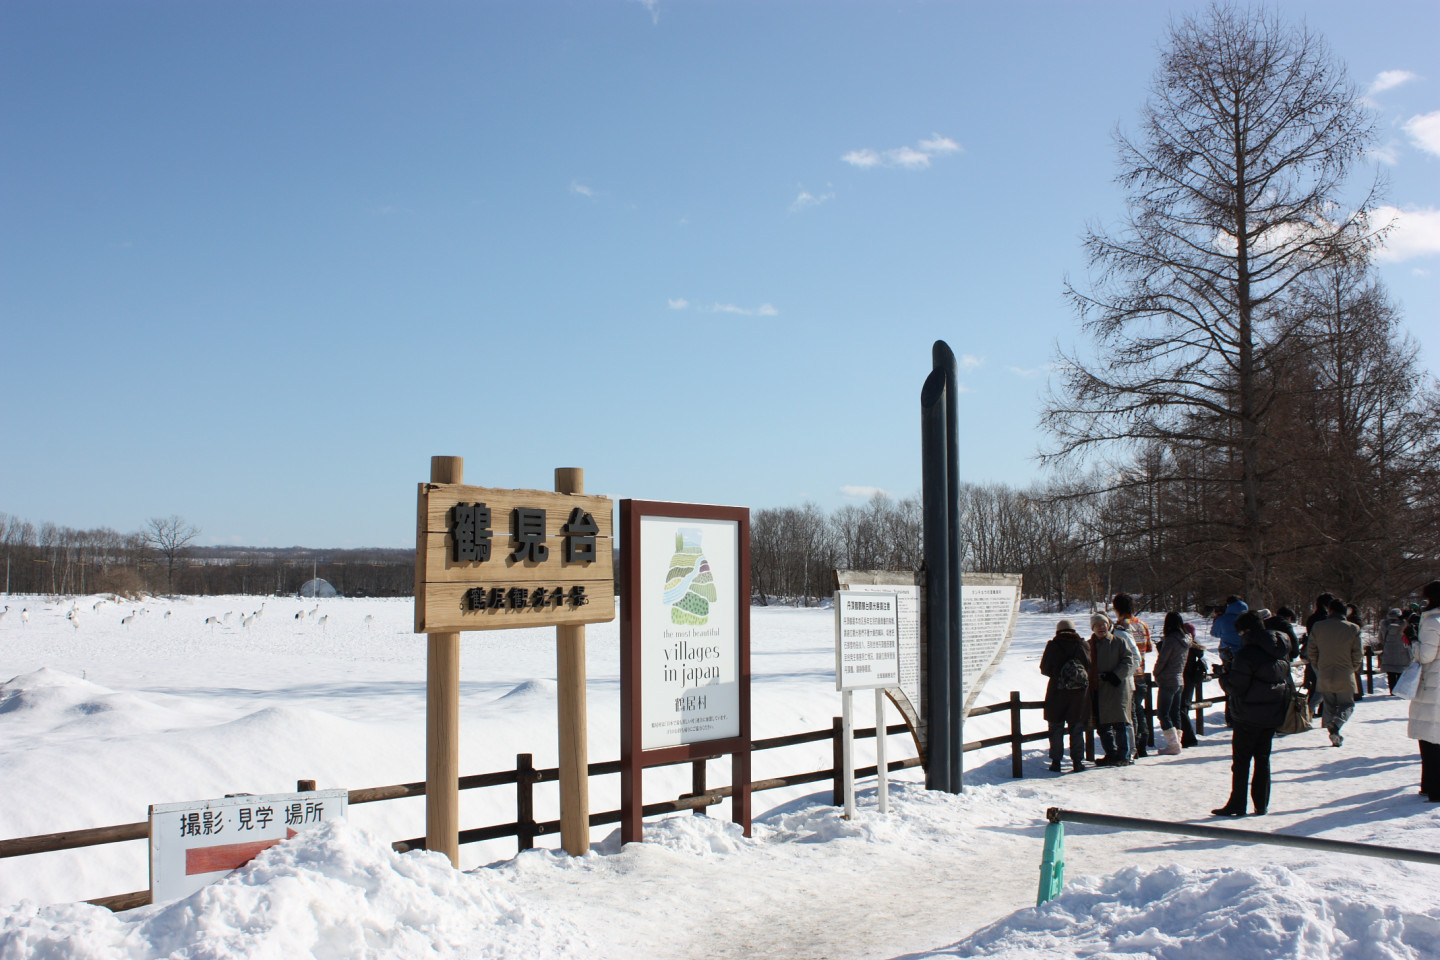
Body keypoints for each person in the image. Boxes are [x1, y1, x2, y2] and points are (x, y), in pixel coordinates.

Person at [1212, 611, 1291, 816]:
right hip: (1272, 712)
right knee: (1263, 759)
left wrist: (1223, 676)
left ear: (1245, 631)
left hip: (1248, 714)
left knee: (1241, 761)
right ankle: (1261, 803)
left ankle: (1238, 803)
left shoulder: (1246, 655)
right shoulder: (1279, 651)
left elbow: (1236, 687)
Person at [1307, 597, 1364, 747]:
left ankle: (1331, 732)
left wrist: (1318, 666)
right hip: (1345, 671)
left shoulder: (1318, 626)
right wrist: (1352, 668)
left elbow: (1311, 651)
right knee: (1347, 704)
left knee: (1329, 703)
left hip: (1324, 671)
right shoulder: (1353, 628)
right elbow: (1358, 654)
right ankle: (1336, 725)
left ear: (1330, 610)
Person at [1040, 619, 1092, 773]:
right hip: (1079, 695)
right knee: (1076, 727)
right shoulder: (1083, 645)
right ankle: (1077, 762)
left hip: (1057, 692)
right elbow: (1089, 665)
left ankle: (1056, 762)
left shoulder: (1053, 646)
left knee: (1056, 727)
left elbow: (1044, 668)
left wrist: (1058, 675)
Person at [1089, 613, 1136, 766]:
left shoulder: (1119, 642)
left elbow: (1129, 661)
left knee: (1120, 723)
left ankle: (1124, 755)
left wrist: (1116, 676)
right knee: (1103, 725)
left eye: (1103, 624)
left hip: (1117, 688)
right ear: (1093, 628)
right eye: (1097, 625)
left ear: (1108, 625)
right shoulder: (1090, 645)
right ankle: (1111, 753)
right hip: (1099, 689)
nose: (1101, 627)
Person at [1408, 581, 1440, 803]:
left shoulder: (1433, 622)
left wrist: (1412, 640)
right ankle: (1429, 785)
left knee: (1430, 740)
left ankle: (1432, 786)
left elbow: (1426, 656)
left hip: (1433, 685)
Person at [1112, 594, 1151, 758]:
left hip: (1127, 675)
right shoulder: (1142, 624)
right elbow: (1148, 648)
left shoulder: (1120, 627)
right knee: (1139, 710)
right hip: (1141, 672)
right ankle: (1143, 741)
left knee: (1130, 712)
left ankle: (1133, 745)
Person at [1152, 612, 1188, 755]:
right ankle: (1177, 742)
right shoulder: (1185, 639)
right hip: (1179, 679)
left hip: (1168, 679)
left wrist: (1156, 672)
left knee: (1163, 713)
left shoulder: (1171, 640)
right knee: (1175, 712)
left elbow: (1163, 660)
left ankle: (1173, 744)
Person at [1179, 623, 1206, 747]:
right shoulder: (1196, 646)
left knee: (1181, 708)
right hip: (1190, 679)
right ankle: (1185, 736)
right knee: (1183, 707)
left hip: (1184, 677)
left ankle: (1188, 738)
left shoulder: (1186, 645)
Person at [1378, 607, 1412, 692]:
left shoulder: (1384, 625)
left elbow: (1381, 639)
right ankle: (1399, 690)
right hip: (1402, 652)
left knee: (1390, 673)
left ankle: (1392, 690)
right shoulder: (1404, 624)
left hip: (1388, 651)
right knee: (1400, 672)